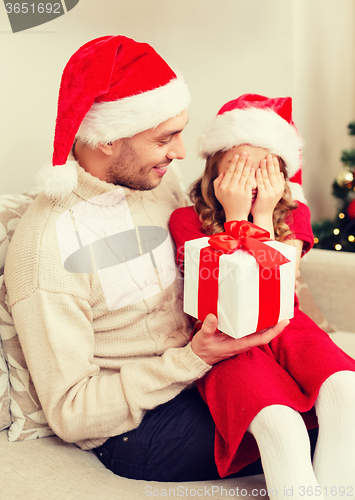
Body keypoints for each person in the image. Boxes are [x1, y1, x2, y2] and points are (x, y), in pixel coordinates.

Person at [4, 37, 286, 482]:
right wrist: (192, 358)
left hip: (206, 375)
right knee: (297, 431)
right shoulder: (47, 248)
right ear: (108, 139)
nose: (179, 153)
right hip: (139, 426)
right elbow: (72, 413)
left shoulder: (152, 182)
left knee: (335, 398)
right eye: (165, 138)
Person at [169, 94, 355, 498]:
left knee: (346, 391)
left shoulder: (293, 216)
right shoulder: (185, 220)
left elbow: (274, 289)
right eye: (239, 166)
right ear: (214, 169)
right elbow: (232, 301)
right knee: (278, 422)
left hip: (287, 325)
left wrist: (265, 218)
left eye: (265, 168)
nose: (252, 181)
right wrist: (236, 218)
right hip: (227, 340)